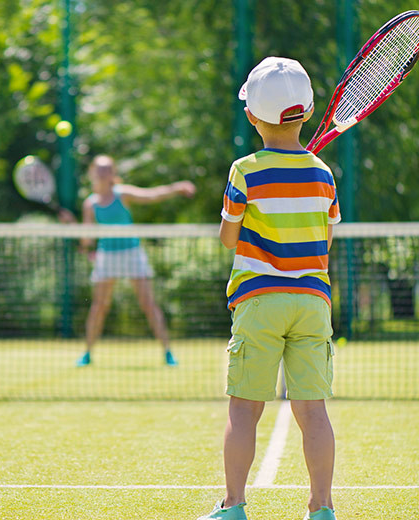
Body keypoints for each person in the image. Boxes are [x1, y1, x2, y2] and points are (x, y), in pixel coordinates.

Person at [198, 57, 341, 520]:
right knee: (313, 412)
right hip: (312, 303)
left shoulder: (245, 170)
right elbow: (327, 237)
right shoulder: (323, 175)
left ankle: (233, 506)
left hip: (259, 300)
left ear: (251, 115)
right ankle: (322, 508)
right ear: (308, 111)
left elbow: (228, 236)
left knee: (244, 410)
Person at [74, 154, 196, 367]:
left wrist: (176, 188)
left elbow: (152, 195)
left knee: (148, 304)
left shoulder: (122, 194)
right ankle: (87, 353)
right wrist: (74, 231)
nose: (102, 173)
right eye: (99, 169)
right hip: (107, 256)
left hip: (132, 254)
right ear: (93, 173)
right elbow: (87, 240)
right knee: (99, 306)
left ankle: (167, 353)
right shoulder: (90, 204)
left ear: (112, 174)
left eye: (106, 169)